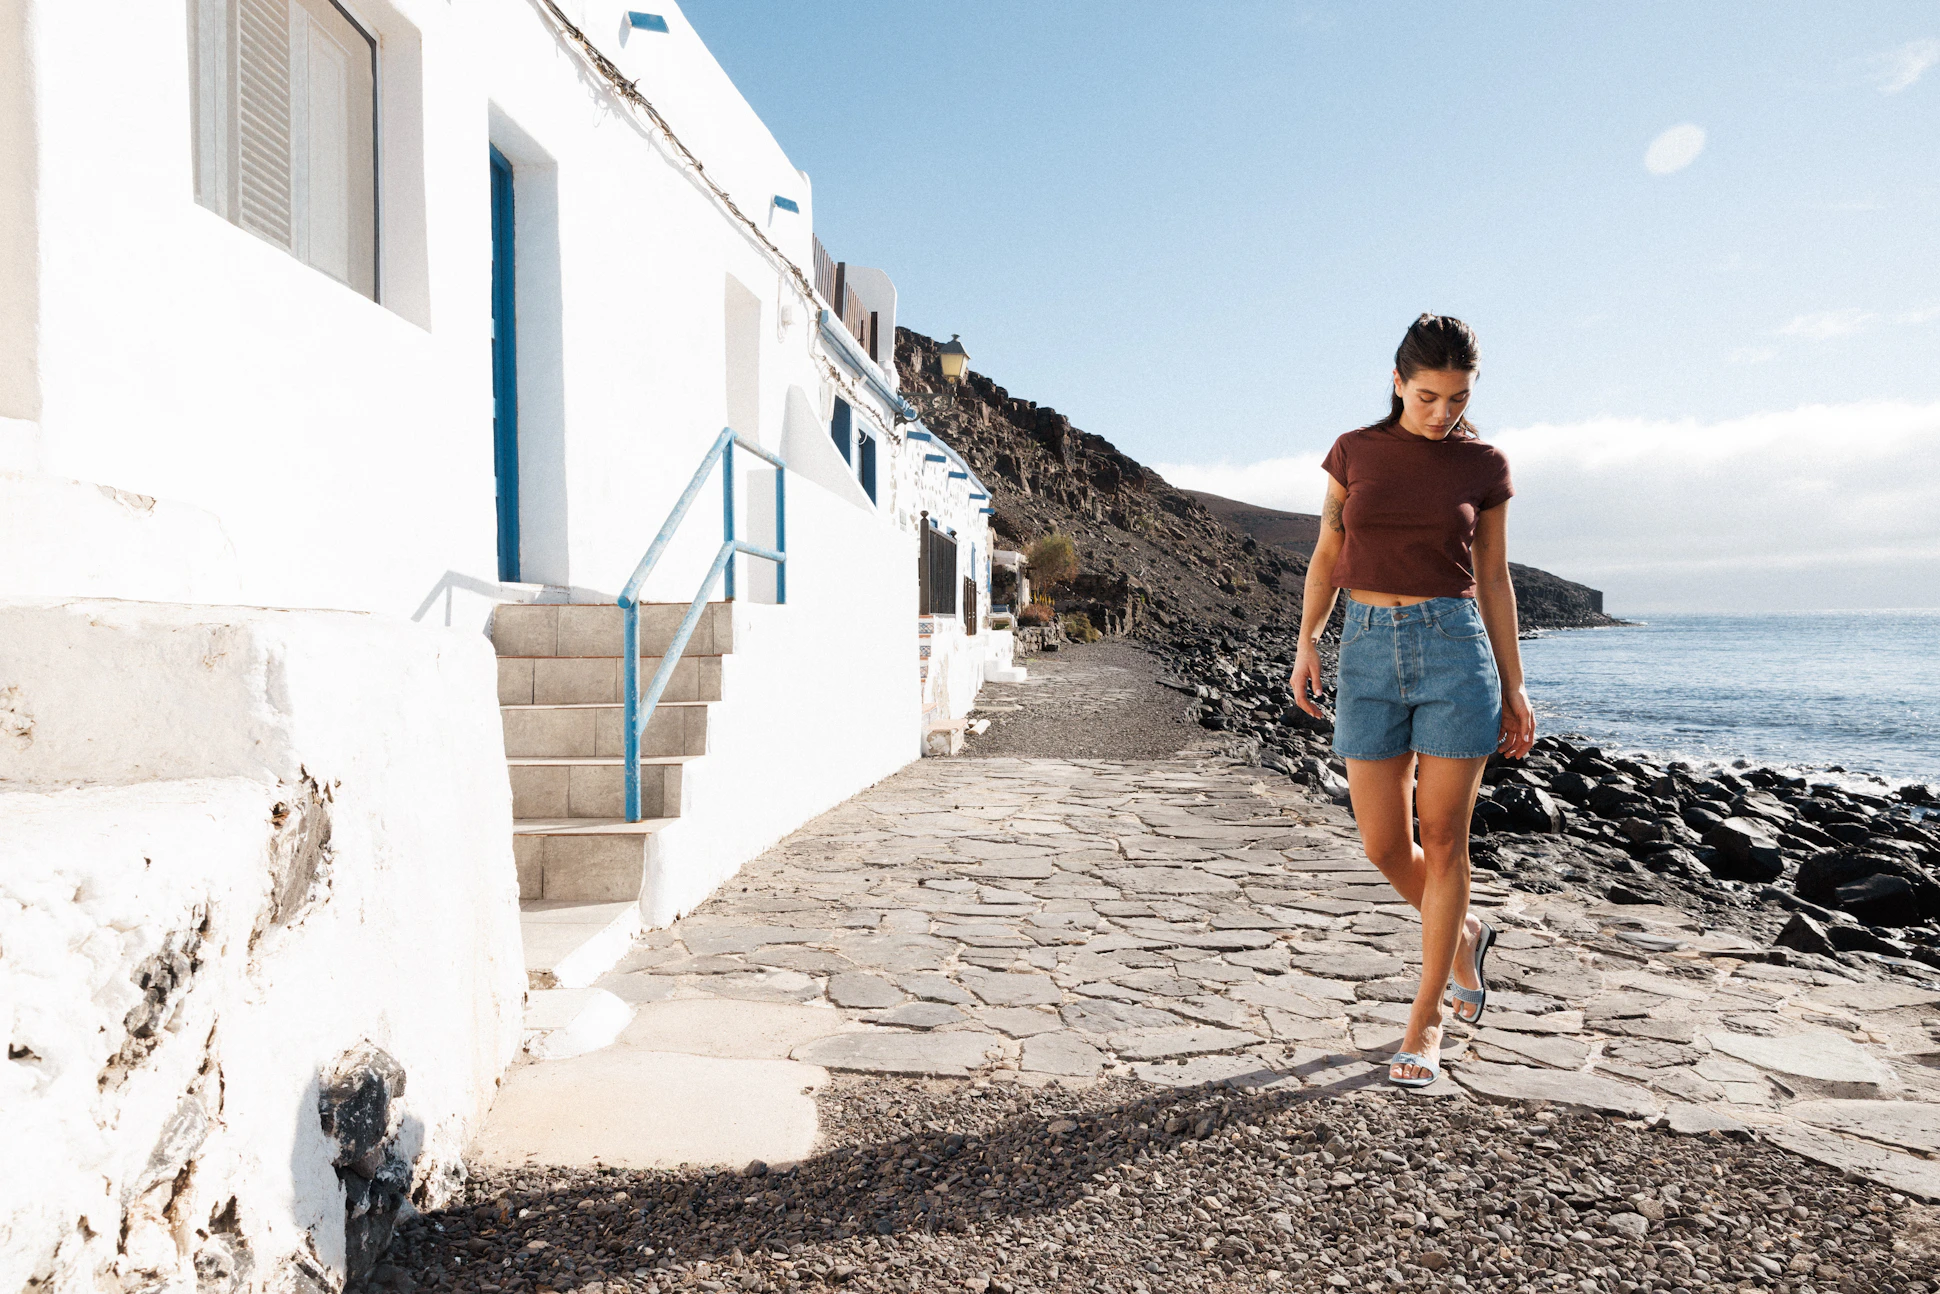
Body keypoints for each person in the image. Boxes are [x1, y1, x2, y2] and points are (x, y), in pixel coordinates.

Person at [1288, 313, 1536, 1089]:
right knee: (1384, 845)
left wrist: (1514, 684)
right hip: (1364, 648)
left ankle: (1426, 1020)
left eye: (1458, 398)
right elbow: (1329, 550)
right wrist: (1307, 641)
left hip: (1454, 651)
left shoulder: (1484, 465)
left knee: (1448, 842)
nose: (1442, 413)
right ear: (1398, 382)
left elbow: (1493, 577)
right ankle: (1462, 936)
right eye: (1428, 396)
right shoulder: (1353, 452)